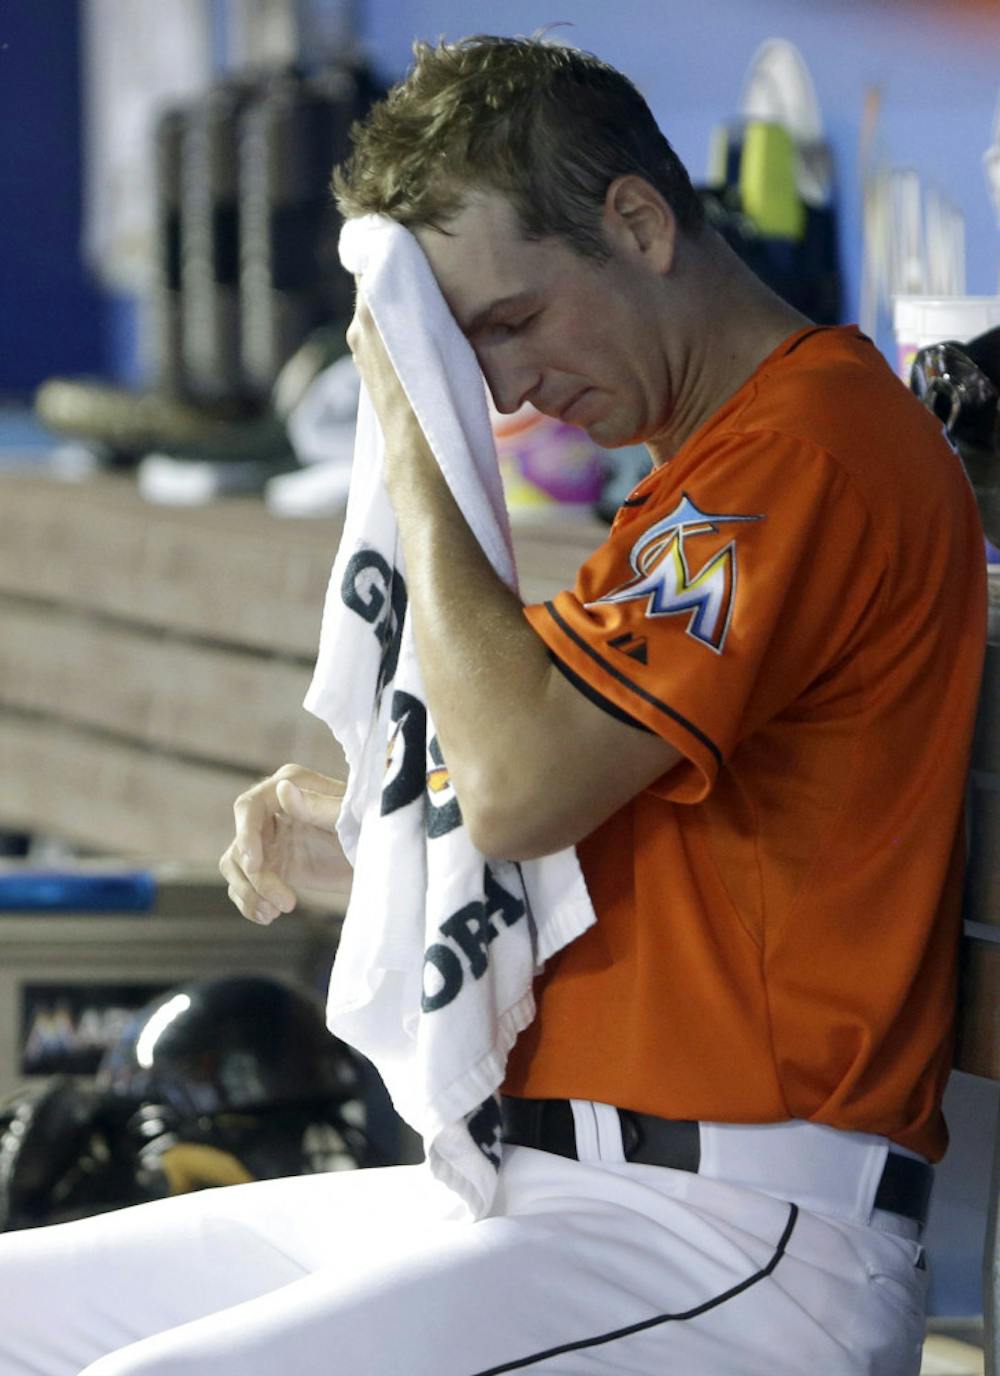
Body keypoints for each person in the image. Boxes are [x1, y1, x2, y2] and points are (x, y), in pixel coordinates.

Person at [0, 34, 986, 1376]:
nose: (505, 390)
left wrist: (409, 434)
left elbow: (523, 788)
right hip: (534, 1191)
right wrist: (374, 830)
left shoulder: (811, 445)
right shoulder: (700, 466)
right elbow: (597, 834)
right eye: (463, 354)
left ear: (636, 222)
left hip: (731, 1242)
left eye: (508, 323)